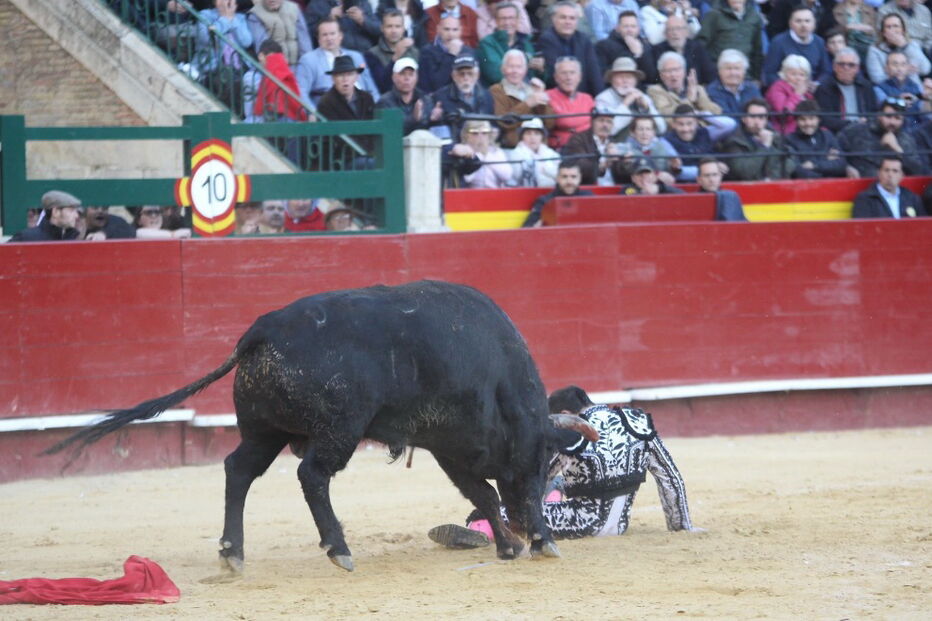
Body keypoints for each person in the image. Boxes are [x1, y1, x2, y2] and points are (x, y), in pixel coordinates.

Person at [427, 385, 696, 545]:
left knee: (500, 513)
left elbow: (536, 480)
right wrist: (680, 526)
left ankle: (482, 532)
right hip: (620, 523)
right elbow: (670, 477)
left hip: (585, 522)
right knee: (557, 485)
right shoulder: (637, 422)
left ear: (565, 415)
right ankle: (555, 498)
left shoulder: (573, 432)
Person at [648, 51, 737, 142]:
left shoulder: (697, 88)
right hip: (678, 133)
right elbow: (665, 113)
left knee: (731, 123)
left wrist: (698, 97)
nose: (673, 74)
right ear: (661, 75)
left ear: (684, 71)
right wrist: (689, 99)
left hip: (701, 130)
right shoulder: (656, 90)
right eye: (668, 71)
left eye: (677, 70)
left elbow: (716, 111)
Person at [295, 17, 379, 106]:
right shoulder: (309, 60)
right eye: (325, 35)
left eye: (332, 34)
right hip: (327, 110)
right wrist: (313, 113)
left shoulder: (356, 57)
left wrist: (377, 110)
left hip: (361, 108)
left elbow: (372, 90)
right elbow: (301, 91)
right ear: (318, 38)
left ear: (340, 36)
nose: (329, 38)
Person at [838, 96, 926, 177]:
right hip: (856, 186)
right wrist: (847, 167)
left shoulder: (907, 140)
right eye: (888, 116)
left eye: (897, 118)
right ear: (879, 115)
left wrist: (897, 150)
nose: (892, 122)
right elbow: (836, 152)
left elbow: (918, 170)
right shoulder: (856, 130)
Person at [717, 98, 796, 181]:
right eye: (753, 117)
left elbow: (791, 158)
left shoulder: (775, 136)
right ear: (744, 118)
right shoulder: (734, 142)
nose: (757, 122)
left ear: (766, 120)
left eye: (761, 117)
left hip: (774, 185)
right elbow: (745, 172)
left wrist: (772, 177)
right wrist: (764, 146)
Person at [489, 49, 554, 148]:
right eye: (511, 66)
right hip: (514, 146)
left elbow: (549, 123)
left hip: (539, 145)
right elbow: (503, 122)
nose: (515, 71)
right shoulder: (496, 90)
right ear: (503, 69)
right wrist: (527, 104)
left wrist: (541, 97)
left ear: (525, 70)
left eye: (519, 67)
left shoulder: (532, 88)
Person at [537, 2, 603, 96]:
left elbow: (594, 73)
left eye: (572, 18)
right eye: (563, 17)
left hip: (583, 97)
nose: (568, 22)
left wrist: (599, 99)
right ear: (553, 19)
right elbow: (554, 74)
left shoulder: (584, 40)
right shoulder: (547, 39)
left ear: (577, 21)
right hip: (557, 97)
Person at [595, 56, 666, 141]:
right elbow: (609, 131)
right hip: (616, 146)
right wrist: (625, 104)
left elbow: (661, 129)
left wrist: (647, 109)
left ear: (635, 81)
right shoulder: (603, 99)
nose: (625, 81)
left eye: (629, 77)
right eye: (620, 77)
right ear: (612, 80)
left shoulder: (642, 97)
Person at [761, 6, 832, 88]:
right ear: (790, 24)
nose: (803, 25)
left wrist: (817, 84)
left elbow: (826, 71)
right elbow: (769, 74)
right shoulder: (778, 42)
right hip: (785, 91)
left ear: (814, 24)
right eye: (798, 21)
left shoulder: (819, 42)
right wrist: (789, 88)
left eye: (807, 21)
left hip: (813, 90)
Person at [477, 2, 542, 87]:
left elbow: (538, 76)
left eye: (511, 18)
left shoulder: (527, 41)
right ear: (496, 21)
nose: (507, 23)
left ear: (518, 20)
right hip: (501, 94)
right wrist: (527, 60)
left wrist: (541, 69)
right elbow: (496, 75)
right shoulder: (487, 43)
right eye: (503, 19)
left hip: (529, 90)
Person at [432, 53, 495, 141]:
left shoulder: (487, 96)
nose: (466, 78)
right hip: (455, 146)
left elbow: (492, 125)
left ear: (477, 75)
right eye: (461, 74)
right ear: (454, 76)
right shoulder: (441, 97)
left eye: (470, 74)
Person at [813, 47, 877, 133]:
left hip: (864, 132)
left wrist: (866, 122)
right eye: (841, 64)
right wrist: (852, 124)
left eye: (851, 65)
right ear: (834, 67)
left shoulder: (866, 86)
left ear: (857, 69)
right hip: (836, 133)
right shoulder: (824, 88)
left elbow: (874, 113)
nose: (846, 68)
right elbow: (824, 119)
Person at [696, 0, 764, 80]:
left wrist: (756, 78)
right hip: (717, 74)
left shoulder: (754, 16)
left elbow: (757, 50)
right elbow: (701, 45)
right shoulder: (714, 15)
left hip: (745, 75)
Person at [376, 58, 442, 135]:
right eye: (402, 74)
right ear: (393, 77)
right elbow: (390, 131)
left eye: (411, 74)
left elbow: (431, 128)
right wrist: (413, 119)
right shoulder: (385, 102)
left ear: (417, 78)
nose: (407, 78)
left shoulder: (425, 99)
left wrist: (434, 119)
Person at [561, 107, 624, 186]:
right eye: (601, 120)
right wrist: (603, 165)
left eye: (609, 122)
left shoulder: (614, 142)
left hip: (615, 188)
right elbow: (578, 165)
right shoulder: (579, 139)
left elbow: (622, 173)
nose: (605, 125)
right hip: (588, 187)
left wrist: (625, 162)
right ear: (592, 122)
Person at [784, 100, 847, 178]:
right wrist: (826, 161)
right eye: (802, 119)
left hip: (833, 186)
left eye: (811, 118)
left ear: (819, 120)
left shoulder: (827, 136)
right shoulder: (789, 140)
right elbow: (797, 171)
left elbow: (841, 165)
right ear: (796, 121)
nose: (808, 123)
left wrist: (814, 165)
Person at [851, 154, 928, 217]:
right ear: (879, 173)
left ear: (902, 175)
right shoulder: (865, 199)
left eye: (895, 171)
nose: (890, 175)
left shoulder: (912, 198)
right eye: (886, 170)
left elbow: (923, 226)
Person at [522, 160, 595, 226]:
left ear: (580, 178)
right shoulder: (545, 201)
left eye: (573, 177)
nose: (569, 181)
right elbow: (526, 229)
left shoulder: (589, 198)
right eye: (564, 177)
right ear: (557, 178)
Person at [595, 10, 658, 86]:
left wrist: (641, 55)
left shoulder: (646, 46)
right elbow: (603, 74)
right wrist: (634, 55)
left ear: (638, 29)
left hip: (642, 89)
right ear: (617, 28)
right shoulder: (603, 46)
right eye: (626, 26)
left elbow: (652, 77)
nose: (630, 30)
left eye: (633, 26)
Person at [866, 13, 931, 86]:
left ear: (903, 30)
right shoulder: (875, 50)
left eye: (896, 26)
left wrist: (905, 46)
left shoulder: (912, 45)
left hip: (914, 90)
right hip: (889, 92)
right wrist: (904, 72)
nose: (892, 30)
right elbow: (877, 79)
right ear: (883, 32)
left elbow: (925, 69)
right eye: (888, 27)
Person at [365, 8, 419, 94]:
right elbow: (382, 86)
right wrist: (396, 57)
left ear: (403, 28)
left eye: (397, 26)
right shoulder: (372, 54)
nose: (394, 31)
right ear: (382, 28)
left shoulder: (414, 52)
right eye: (389, 26)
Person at [545, 56, 594, 149]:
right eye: (564, 73)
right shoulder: (546, 97)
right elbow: (567, 122)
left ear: (579, 77)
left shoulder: (588, 99)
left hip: (586, 149)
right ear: (556, 77)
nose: (568, 78)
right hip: (559, 149)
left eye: (572, 73)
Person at [653, 14, 716, 85]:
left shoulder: (697, 48)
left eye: (678, 28)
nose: (675, 33)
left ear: (686, 32)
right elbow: (656, 78)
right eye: (670, 29)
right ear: (665, 34)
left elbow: (710, 74)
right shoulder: (658, 50)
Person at [247, 0, 313, 68]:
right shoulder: (255, 15)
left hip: (299, 64)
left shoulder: (294, 8)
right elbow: (263, 47)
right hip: (276, 67)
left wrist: (306, 64)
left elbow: (304, 40)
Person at [418, 16, 474, 94]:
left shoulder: (468, 51)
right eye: (446, 29)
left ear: (460, 31)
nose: (451, 34)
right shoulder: (427, 52)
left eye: (455, 30)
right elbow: (436, 84)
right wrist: (451, 55)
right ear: (438, 29)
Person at [618, 116, 680, 185]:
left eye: (648, 129)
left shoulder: (662, 147)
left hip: (659, 188)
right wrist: (626, 164)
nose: (644, 133)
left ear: (654, 132)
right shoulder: (625, 148)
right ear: (632, 132)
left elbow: (669, 172)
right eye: (640, 129)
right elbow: (623, 173)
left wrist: (673, 167)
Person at [706, 49, 764, 118]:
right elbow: (727, 119)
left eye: (737, 68)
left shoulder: (752, 88)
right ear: (719, 71)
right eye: (728, 68)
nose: (733, 73)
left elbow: (762, 114)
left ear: (744, 72)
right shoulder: (713, 90)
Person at [305, 0, 381, 53]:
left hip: (365, 53)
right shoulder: (318, 3)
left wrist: (363, 20)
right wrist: (330, 17)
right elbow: (310, 33)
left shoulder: (361, 2)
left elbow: (379, 29)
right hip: (336, 56)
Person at [664, 104, 716, 182]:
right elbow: (679, 171)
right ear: (673, 124)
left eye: (689, 123)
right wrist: (713, 170)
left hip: (711, 181)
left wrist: (701, 114)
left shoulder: (704, 132)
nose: (686, 129)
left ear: (697, 122)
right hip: (683, 185)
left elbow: (729, 125)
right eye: (681, 124)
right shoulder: (666, 141)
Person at [457, 119, 514, 188]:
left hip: (495, 194)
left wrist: (486, 156)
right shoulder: (462, 150)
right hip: (469, 195)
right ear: (466, 135)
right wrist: (478, 156)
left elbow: (507, 176)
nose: (480, 137)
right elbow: (467, 178)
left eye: (484, 133)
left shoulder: (496, 151)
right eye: (475, 133)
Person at [873, 52, 924, 128]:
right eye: (895, 65)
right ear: (886, 68)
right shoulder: (879, 88)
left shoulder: (917, 87)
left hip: (917, 129)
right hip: (893, 129)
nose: (899, 69)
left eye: (903, 65)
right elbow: (883, 109)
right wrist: (898, 101)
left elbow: (923, 112)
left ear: (908, 67)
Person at [765, 55, 815, 134]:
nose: (798, 78)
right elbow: (784, 116)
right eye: (793, 74)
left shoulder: (806, 92)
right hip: (786, 133)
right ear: (785, 74)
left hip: (807, 131)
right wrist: (797, 95)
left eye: (802, 75)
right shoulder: (777, 87)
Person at [8, 191, 83, 242]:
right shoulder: (27, 238)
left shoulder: (76, 238)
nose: (76, 215)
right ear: (55, 212)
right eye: (71, 210)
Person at [509, 117, 561, 187]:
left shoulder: (551, 154)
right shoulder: (515, 154)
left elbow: (561, 175)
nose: (532, 137)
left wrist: (546, 169)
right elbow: (517, 177)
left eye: (537, 133)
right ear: (522, 137)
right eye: (528, 133)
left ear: (542, 137)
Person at [620, 156, 684, 195]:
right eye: (640, 174)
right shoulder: (628, 189)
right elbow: (626, 196)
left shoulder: (662, 187)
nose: (644, 177)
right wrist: (641, 193)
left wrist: (658, 189)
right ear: (633, 178)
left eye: (648, 173)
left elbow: (682, 195)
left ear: (655, 176)